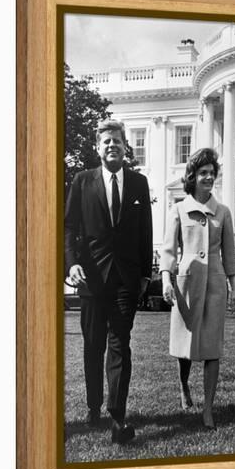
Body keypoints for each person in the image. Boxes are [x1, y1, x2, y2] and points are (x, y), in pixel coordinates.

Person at [65, 119, 153, 444]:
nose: (112, 145)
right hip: (90, 280)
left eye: (117, 141)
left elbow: (146, 231)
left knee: (120, 346)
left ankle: (117, 417)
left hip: (125, 281)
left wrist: (145, 273)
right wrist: (71, 264)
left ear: (124, 146)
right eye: (106, 142)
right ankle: (93, 407)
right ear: (97, 147)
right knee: (93, 347)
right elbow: (69, 228)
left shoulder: (138, 184)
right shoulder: (81, 181)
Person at [160, 148, 235, 430]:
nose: (208, 178)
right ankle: (183, 387)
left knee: (212, 348)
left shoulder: (224, 212)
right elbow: (168, 249)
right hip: (187, 285)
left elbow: (230, 254)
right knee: (184, 347)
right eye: (202, 173)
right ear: (192, 177)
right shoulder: (178, 209)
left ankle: (208, 409)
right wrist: (166, 280)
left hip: (216, 285)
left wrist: (234, 286)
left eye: (211, 173)